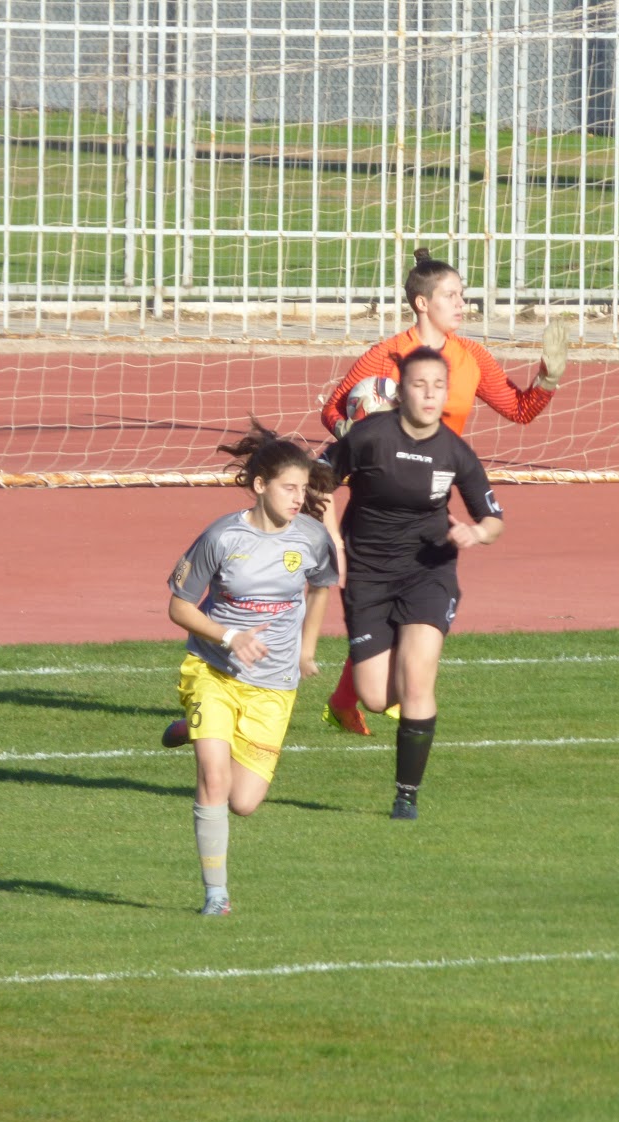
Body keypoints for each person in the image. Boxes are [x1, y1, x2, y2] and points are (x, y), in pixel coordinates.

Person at [318, 247, 566, 734]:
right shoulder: (386, 355)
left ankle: (346, 700)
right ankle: (351, 693)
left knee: (414, 597)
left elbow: (519, 410)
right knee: (386, 598)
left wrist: (548, 378)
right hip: (379, 497)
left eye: (462, 295)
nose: (461, 304)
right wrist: (359, 429)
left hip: (432, 492)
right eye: (451, 295)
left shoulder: (471, 357)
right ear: (421, 303)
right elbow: (333, 410)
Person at [163, 424, 339, 916]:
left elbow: (322, 587)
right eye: (289, 487)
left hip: (274, 685)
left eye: (303, 488)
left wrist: (306, 650)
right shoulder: (222, 536)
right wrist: (229, 637)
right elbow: (179, 607)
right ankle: (216, 895)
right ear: (260, 485)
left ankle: (193, 729)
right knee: (214, 781)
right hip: (214, 669)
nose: (298, 498)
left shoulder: (312, 538)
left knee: (243, 802)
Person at [325, 345, 503, 820]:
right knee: (376, 696)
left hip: (429, 571)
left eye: (438, 386)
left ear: (446, 394)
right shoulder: (369, 437)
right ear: (400, 392)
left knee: (418, 678)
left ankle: (406, 796)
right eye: (419, 385)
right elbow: (319, 482)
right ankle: (371, 683)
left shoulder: (454, 451)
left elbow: (493, 518)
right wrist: (332, 541)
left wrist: (476, 532)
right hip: (367, 575)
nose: (429, 394)